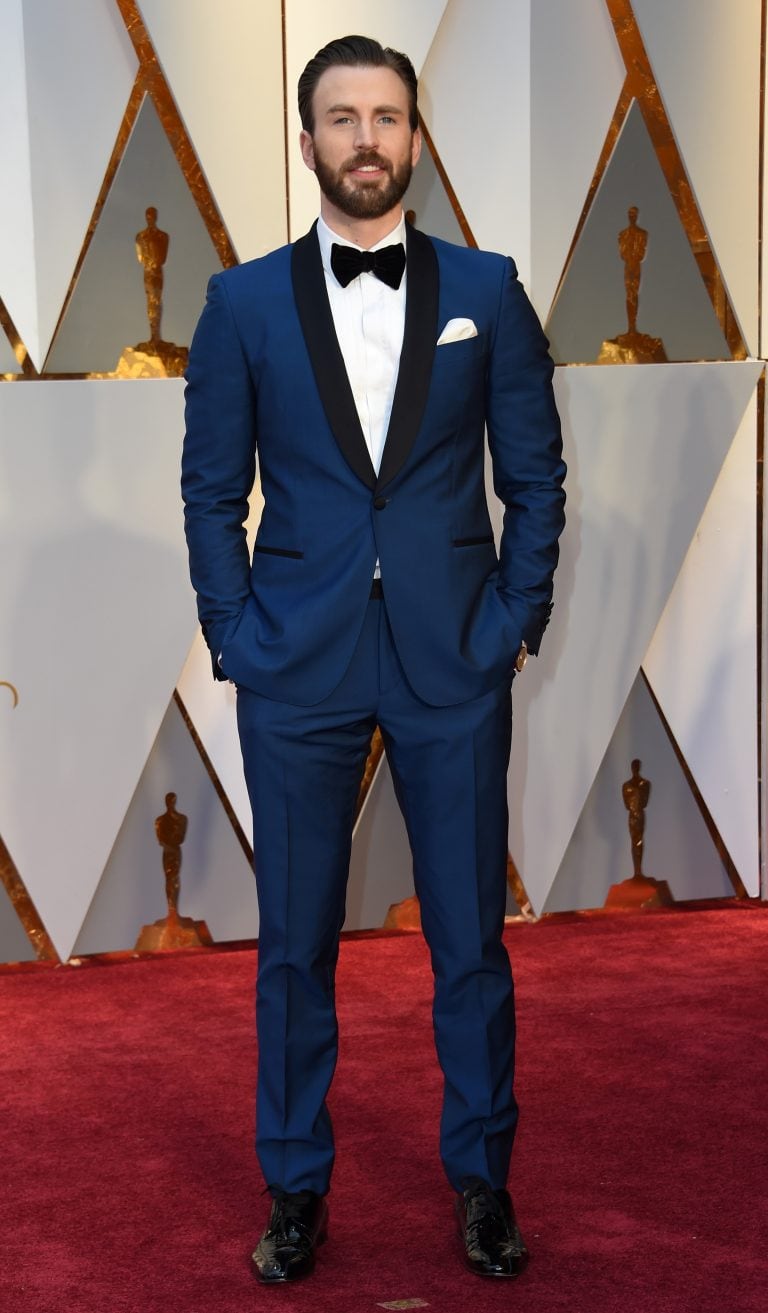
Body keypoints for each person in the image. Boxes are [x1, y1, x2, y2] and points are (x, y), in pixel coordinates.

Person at [182, 34, 566, 1284]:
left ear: (415, 134)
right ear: (308, 143)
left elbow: (536, 475)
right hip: (296, 664)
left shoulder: (490, 290)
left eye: (385, 116)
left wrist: (514, 617)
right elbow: (208, 491)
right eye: (340, 117)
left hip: (456, 659)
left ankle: (484, 1182)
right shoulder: (239, 304)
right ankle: (296, 1188)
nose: (364, 138)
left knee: (471, 941)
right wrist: (234, 632)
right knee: (293, 946)